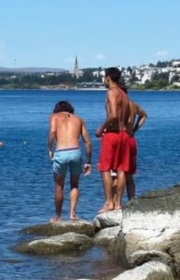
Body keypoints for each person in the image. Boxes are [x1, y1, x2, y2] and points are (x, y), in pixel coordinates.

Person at [48, 100, 93, 223]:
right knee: (74, 184)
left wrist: (49, 148)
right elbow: (88, 143)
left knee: (59, 185)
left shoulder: (54, 117)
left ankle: (58, 217)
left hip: (61, 151)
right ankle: (72, 214)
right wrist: (88, 161)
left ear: (56, 110)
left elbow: (52, 132)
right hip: (75, 152)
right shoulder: (79, 119)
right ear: (71, 110)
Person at [95, 67, 131, 214]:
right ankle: (118, 204)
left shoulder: (111, 92)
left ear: (108, 77)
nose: (104, 80)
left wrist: (101, 128)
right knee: (121, 168)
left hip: (112, 134)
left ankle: (109, 202)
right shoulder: (124, 94)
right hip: (124, 134)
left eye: (104, 77)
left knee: (105, 168)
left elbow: (113, 115)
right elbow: (128, 117)